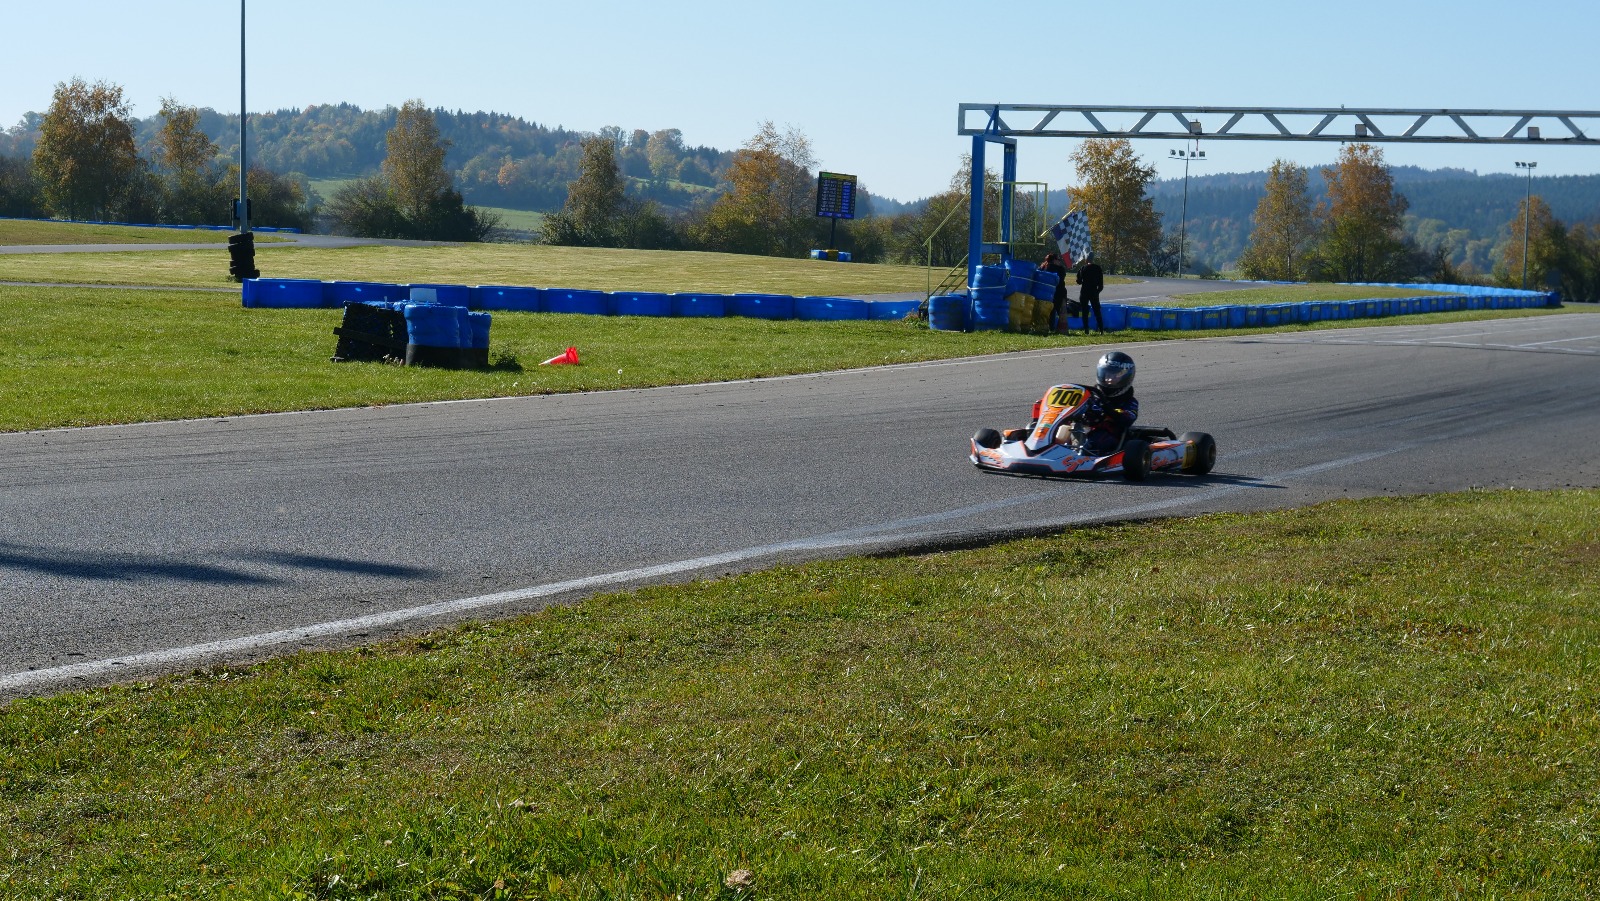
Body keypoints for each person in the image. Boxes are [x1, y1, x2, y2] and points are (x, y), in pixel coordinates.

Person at [1083, 351, 1138, 454]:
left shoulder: (1129, 401)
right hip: (1082, 429)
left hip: (1110, 435)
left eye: (1115, 376)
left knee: (1097, 439)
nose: (1109, 379)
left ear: (1125, 378)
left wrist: (1109, 411)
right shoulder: (1090, 396)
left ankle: (1081, 455)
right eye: (1107, 374)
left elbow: (1128, 418)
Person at [1038, 252, 1070, 332]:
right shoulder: (1058, 269)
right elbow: (1062, 277)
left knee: (1050, 310)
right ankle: (1061, 329)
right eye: (1058, 260)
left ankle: (1049, 327)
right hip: (1058, 291)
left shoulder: (1043, 267)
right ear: (1054, 260)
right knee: (1060, 311)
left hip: (1045, 291)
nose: (1059, 261)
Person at [1075, 253, 1106, 335]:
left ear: (1086, 260)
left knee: (1085, 311)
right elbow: (1101, 284)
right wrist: (1097, 292)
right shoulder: (1098, 268)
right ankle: (1101, 330)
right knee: (1097, 311)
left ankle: (1086, 330)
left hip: (1084, 291)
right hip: (1093, 291)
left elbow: (1079, 281)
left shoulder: (1083, 268)